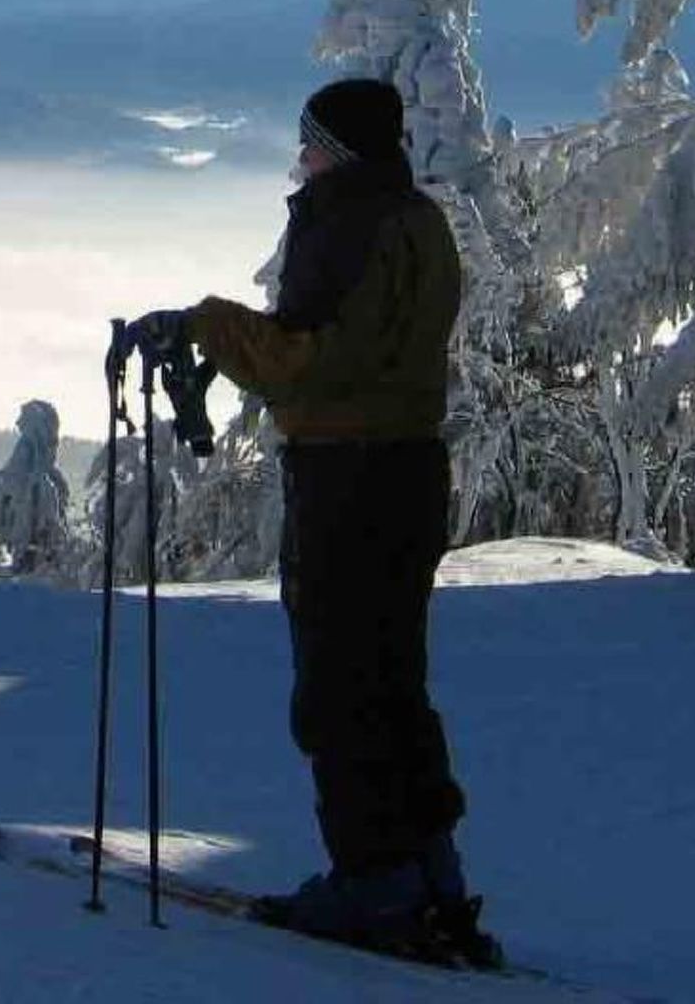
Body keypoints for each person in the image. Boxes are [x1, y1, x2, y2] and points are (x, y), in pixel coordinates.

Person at [131, 77, 487, 961]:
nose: (304, 157)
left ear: (341, 146)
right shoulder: (418, 221)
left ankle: (376, 888)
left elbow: (312, 364)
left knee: (339, 686)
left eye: (313, 142)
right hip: (409, 471)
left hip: (347, 478)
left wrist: (211, 326)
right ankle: (429, 878)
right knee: (391, 680)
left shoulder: (353, 225)